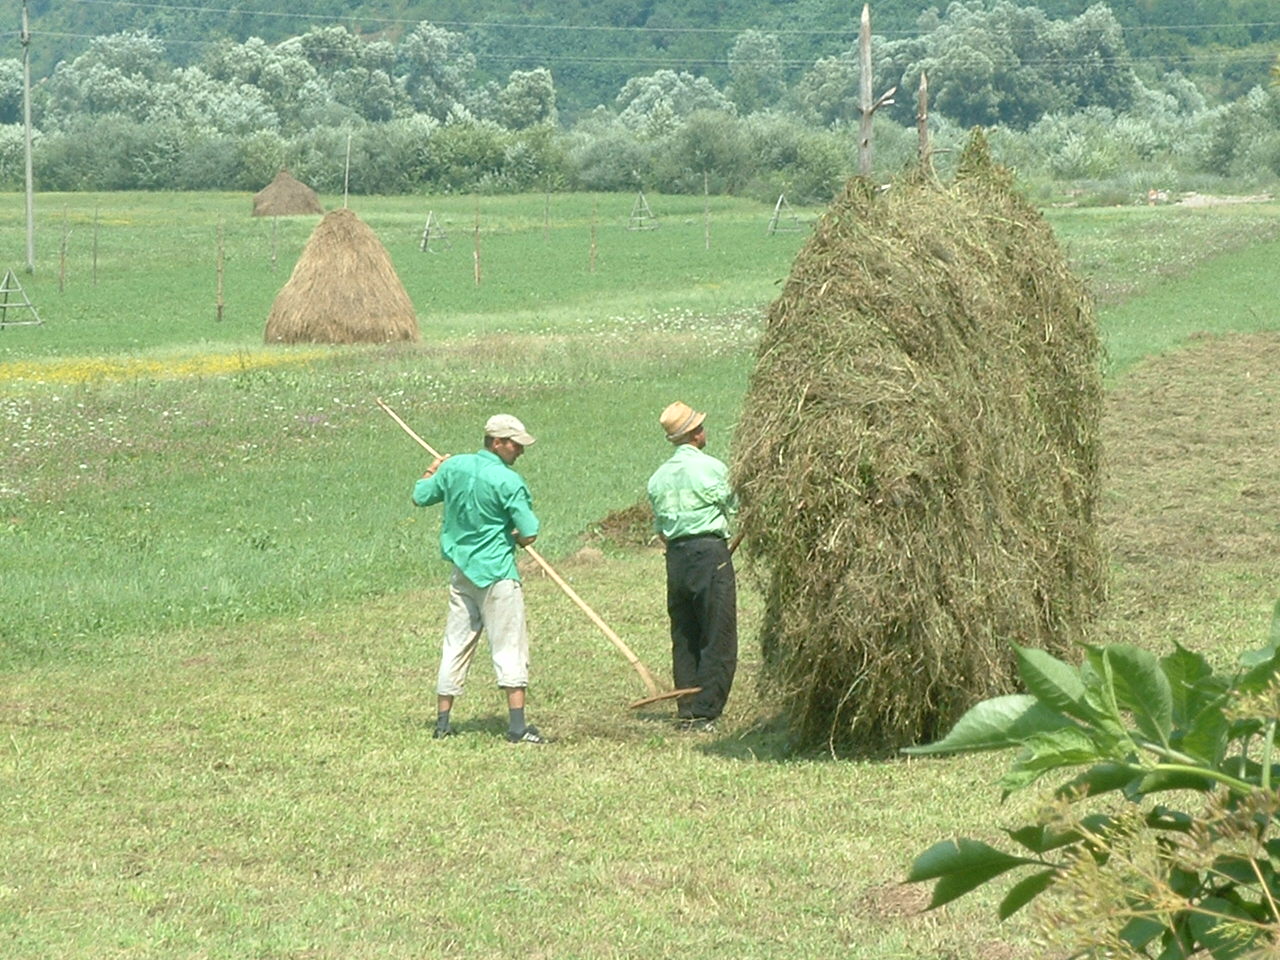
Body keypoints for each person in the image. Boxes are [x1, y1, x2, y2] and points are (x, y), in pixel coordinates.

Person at [412, 413, 547, 744]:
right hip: (498, 576)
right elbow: (529, 532)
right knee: (509, 647)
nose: (520, 451)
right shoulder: (509, 481)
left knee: (454, 645)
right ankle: (517, 728)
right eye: (515, 444)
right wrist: (517, 535)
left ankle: (442, 724)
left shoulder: (454, 467)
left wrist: (433, 468)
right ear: (497, 442)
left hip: (462, 574)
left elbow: (421, 495)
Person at [646, 401, 738, 732]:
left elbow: (659, 527)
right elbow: (735, 505)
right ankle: (706, 711)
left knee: (685, 633)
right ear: (696, 434)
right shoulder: (712, 469)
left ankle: (687, 707)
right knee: (718, 633)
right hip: (709, 554)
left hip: (675, 558)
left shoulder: (658, 478)